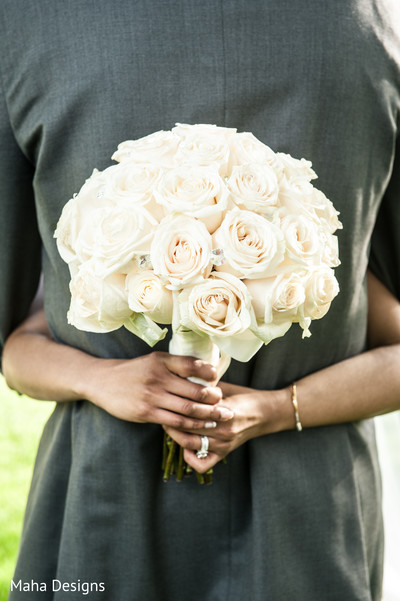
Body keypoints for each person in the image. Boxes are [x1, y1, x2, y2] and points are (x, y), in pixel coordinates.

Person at [1, 1, 400, 599]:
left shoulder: (31, 21)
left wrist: (101, 375)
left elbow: (11, 341)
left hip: (106, 497)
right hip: (312, 503)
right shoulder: (370, 23)